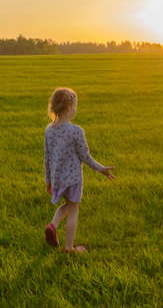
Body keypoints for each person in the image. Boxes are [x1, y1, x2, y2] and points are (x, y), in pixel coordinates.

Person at [44, 87, 115, 253]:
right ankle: (69, 248)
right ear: (68, 109)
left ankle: (52, 225)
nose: (75, 110)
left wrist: (48, 180)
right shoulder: (76, 131)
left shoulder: (49, 131)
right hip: (74, 180)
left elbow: (47, 157)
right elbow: (86, 157)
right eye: (75, 106)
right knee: (73, 209)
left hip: (57, 178)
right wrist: (102, 169)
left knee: (67, 206)